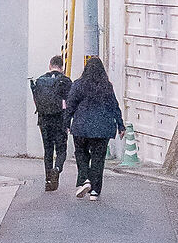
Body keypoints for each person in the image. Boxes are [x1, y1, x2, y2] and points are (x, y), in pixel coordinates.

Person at [64, 55, 124, 200]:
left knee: (81, 154)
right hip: (102, 128)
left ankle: (85, 179)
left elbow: (70, 105)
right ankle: (95, 192)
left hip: (81, 127)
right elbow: (114, 106)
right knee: (98, 159)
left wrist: (66, 123)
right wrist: (120, 125)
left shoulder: (78, 84)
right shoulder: (106, 86)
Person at [30, 53, 72, 192]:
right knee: (61, 150)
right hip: (60, 120)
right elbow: (70, 103)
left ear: (50, 65)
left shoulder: (41, 80)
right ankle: (57, 169)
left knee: (48, 150)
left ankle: (48, 181)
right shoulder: (65, 81)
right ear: (62, 67)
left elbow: (36, 100)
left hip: (44, 120)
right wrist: (68, 123)